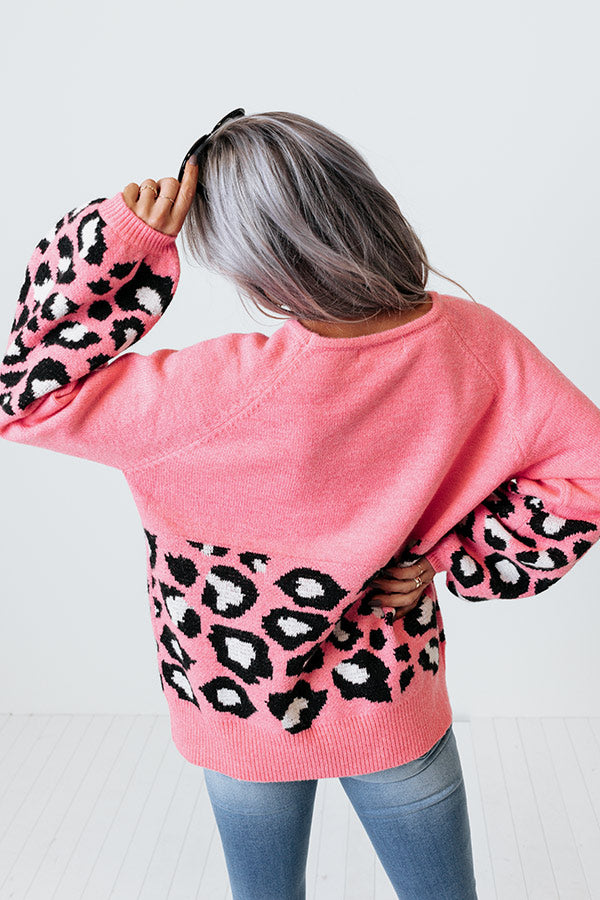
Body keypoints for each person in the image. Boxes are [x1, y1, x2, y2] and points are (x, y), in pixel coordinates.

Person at [2, 110, 600, 900]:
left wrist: (117, 243)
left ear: (251, 263)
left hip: (238, 708)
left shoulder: (209, 392)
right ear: (363, 199)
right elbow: (588, 469)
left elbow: (26, 397)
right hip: (390, 695)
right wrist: (459, 555)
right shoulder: (472, 343)